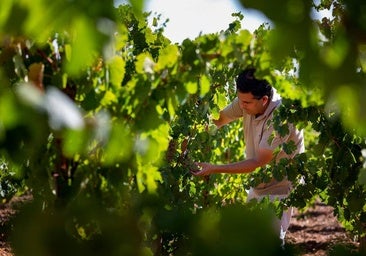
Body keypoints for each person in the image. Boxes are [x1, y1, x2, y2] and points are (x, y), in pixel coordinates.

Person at [191, 67, 305, 244]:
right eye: (240, 100)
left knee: (270, 242)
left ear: (264, 100)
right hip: (259, 182)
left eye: (246, 103)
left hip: (281, 185)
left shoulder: (281, 117)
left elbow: (259, 161)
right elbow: (219, 119)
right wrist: (194, 125)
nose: (241, 105)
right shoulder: (247, 101)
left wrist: (214, 168)